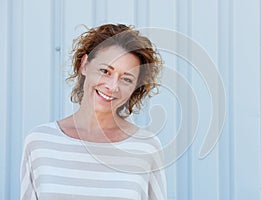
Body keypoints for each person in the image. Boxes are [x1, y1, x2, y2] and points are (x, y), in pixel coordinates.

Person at [20, 24, 167, 200]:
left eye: (126, 79)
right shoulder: (40, 142)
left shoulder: (146, 147)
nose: (112, 87)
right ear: (84, 65)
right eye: (105, 71)